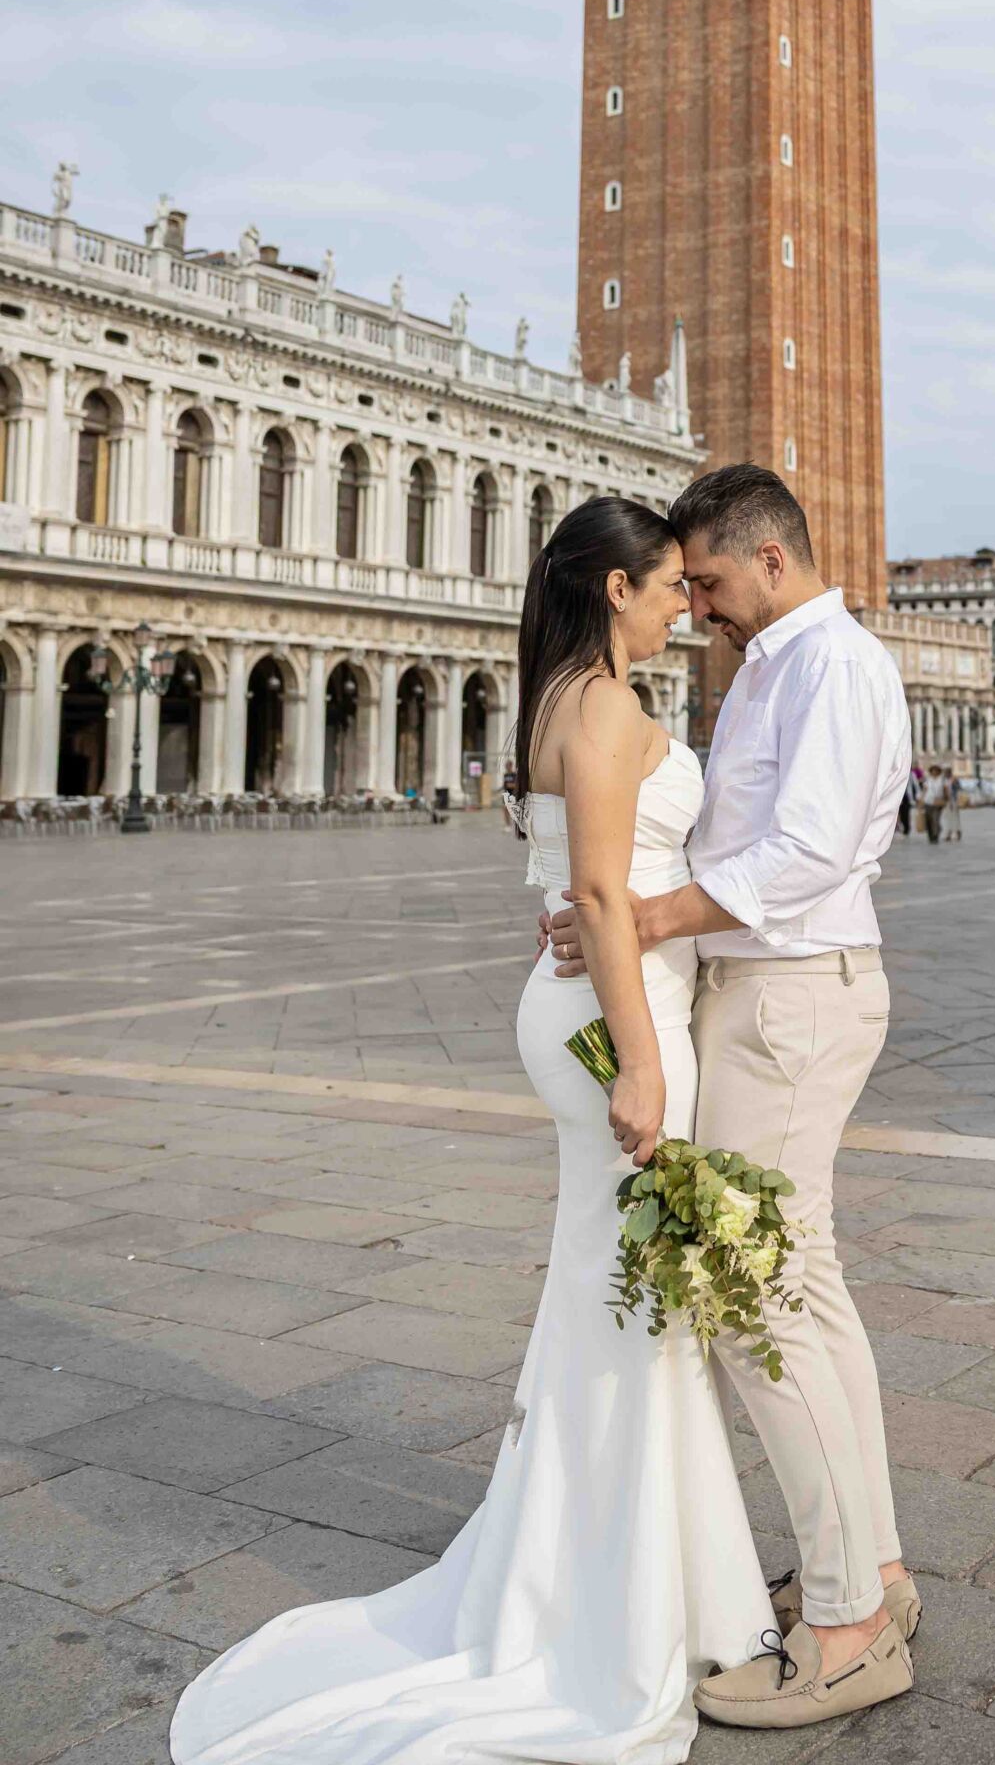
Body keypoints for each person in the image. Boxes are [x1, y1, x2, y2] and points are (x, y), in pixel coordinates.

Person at [171, 498, 774, 1764]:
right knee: (631, 1312)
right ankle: (607, 1607)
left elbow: (577, 883)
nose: (683, 604)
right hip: (618, 1028)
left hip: (580, 1009)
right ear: (613, 589)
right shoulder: (605, 710)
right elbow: (603, 892)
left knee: (614, 1307)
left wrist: (600, 958)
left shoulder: (555, 696)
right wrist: (646, 1063)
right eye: (668, 584)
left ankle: (628, 1576)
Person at [548, 465, 916, 1732]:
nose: (693, 604)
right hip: (766, 991)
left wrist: (642, 913)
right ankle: (872, 1574)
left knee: (758, 1295)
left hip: (791, 997)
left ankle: (846, 1624)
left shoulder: (829, 663)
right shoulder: (774, 660)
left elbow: (806, 848)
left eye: (703, 579)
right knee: (803, 1287)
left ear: (767, 558)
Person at [921, 763, 946, 843]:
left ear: (938, 772)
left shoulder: (942, 780)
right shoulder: (928, 780)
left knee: (935, 819)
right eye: (933, 771)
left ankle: (936, 835)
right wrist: (921, 800)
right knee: (928, 820)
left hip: (938, 802)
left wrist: (946, 800)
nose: (934, 772)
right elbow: (924, 790)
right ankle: (930, 835)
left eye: (936, 771)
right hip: (928, 802)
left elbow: (946, 791)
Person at [944, 768, 963, 842]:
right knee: (948, 818)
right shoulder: (944, 780)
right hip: (947, 801)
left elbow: (959, 789)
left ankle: (958, 832)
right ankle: (949, 832)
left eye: (946, 772)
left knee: (955, 817)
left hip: (954, 800)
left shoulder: (954, 779)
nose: (945, 774)